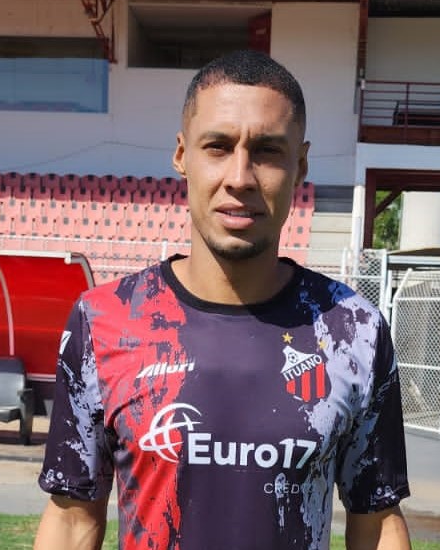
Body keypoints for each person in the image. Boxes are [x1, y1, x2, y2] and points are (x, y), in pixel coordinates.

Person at [34, 49, 411, 550]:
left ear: (300, 165)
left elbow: (377, 519)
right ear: (181, 156)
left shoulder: (353, 331)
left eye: (268, 151)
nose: (240, 177)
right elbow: (71, 519)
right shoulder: (103, 322)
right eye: (218, 146)